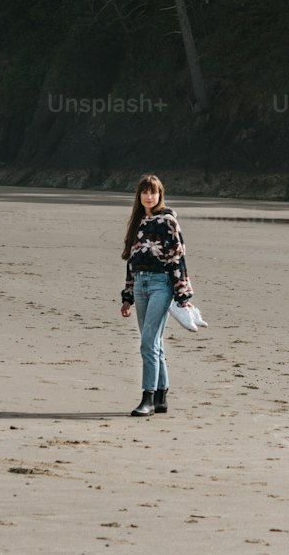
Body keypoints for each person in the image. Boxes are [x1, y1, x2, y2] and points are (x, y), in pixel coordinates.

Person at [120, 172, 195, 417]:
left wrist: (183, 295)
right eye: (145, 192)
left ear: (160, 194)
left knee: (147, 343)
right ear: (139, 195)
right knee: (154, 343)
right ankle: (162, 396)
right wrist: (128, 295)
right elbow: (132, 261)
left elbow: (177, 257)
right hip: (140, 285)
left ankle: (148, 398)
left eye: (153, 192)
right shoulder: (138, 222)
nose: (149, 196)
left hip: (161, 285)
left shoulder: (168, 222)